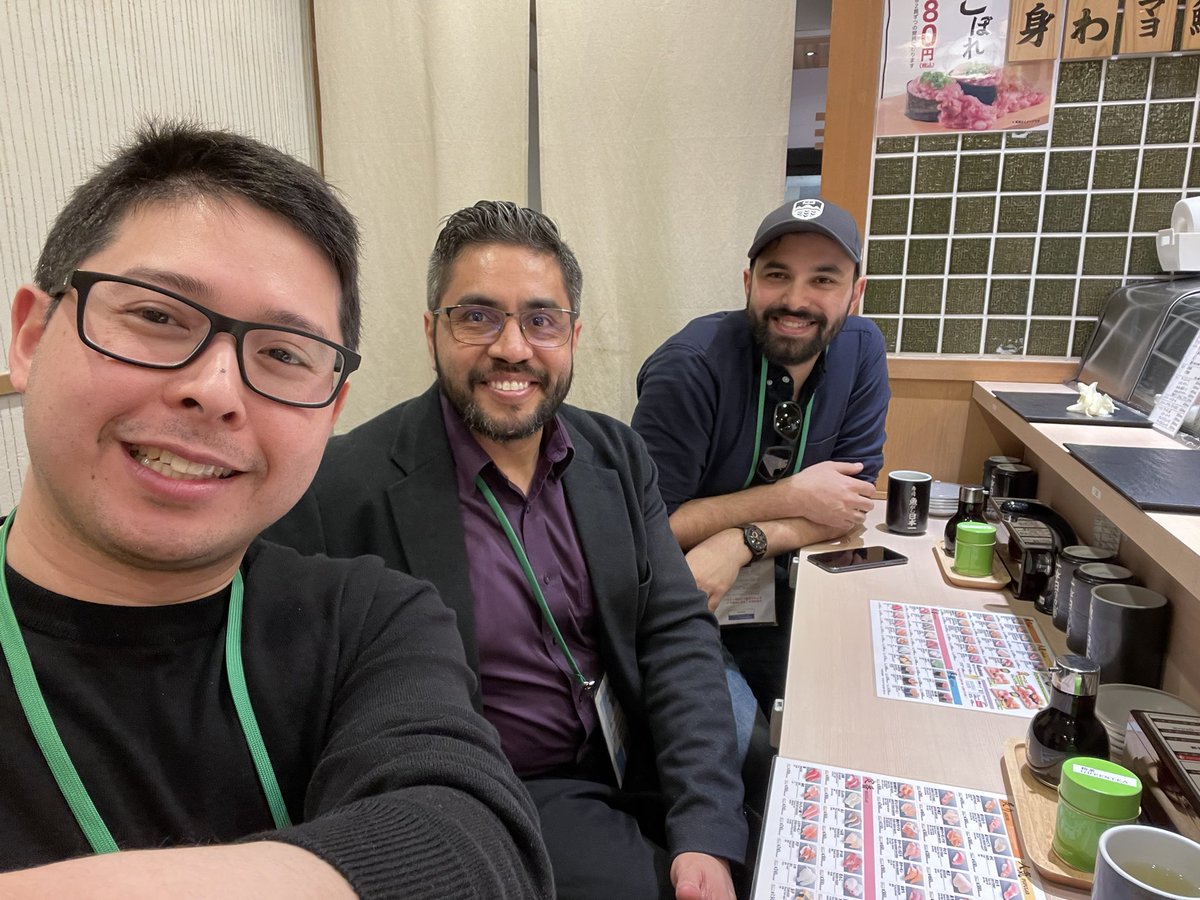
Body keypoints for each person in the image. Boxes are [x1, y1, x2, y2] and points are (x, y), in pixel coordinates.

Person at [0, 123, 552, 899]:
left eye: (285, 354)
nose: (216, 390)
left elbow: (471, 838)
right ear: (31, 335)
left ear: (331, 408)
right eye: (158, 317)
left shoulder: (368, 619)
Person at [267, 201, 747, 900]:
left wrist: (705, 824)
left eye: (541, 320)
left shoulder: (615, 453)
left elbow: (674, 632)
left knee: (766, 804)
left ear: (574, 335)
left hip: (629, 754)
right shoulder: (341, 488)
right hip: (498, 792)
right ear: (432, 330)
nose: (513, 347)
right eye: (477, 316)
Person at [631, 197, 890, 713]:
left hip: (789, 583)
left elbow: (848, 505)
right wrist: (791, 496)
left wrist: (743, 539)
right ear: (748, 282)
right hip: (686, 593)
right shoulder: (690, 368)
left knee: (847, 708)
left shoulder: (862, 350)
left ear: (855, 293)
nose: (796, 300)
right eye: (777, 275)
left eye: (823, 279)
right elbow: (645, 526)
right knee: (742, 747)